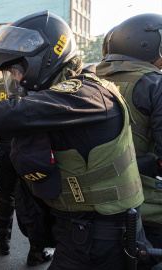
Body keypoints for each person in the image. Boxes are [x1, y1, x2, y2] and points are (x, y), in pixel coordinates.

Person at [0, 11, 148, 269]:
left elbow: (8, 116)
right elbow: (4, 131)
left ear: (47, 60)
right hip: (80, 228)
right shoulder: (59, 101)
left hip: (103, 234)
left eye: (18, 71)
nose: (15, 79)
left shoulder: (85, 94)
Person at [96, 13, 162, 250]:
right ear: (146, 46)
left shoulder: (94, 79)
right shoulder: (154, 84)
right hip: (149, 203)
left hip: (102, 201)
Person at [0, 79, 52, 265]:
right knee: (33, 200)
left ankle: (4, 240)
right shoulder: (36, 82)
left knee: (6, 196)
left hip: (4, 147)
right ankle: (36, 250)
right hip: (27, 148)